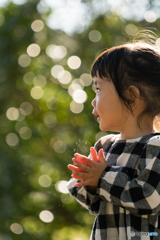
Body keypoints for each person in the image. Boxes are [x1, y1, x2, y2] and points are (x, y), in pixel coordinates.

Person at [67, 37, 160, 240]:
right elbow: (94, 203)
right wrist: (88, 182)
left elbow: (149, 199)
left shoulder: (156, 146)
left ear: (131, 97)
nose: (93, 100)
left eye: (99, 89)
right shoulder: (106, 145)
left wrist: (102, 177)